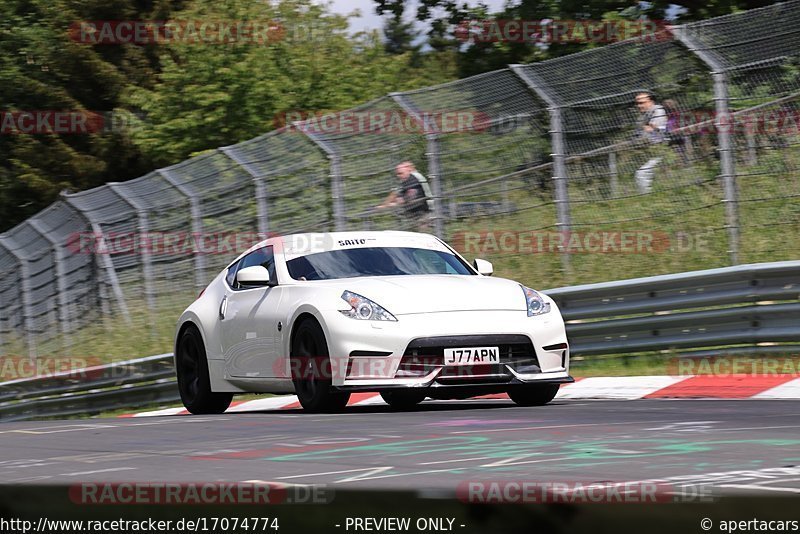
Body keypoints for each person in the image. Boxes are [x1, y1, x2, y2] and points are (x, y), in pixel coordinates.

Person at [377, 161, 434, 230]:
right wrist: (385, 205)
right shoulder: (406, 181)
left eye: (400, 173)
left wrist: (390, 204)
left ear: (409, 170)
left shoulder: (414, 178)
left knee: (424, 234)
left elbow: (409, 197)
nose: (398, 176)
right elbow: (395, 193)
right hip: (417, 214)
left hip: (425, 213)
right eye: (397, 174)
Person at [634, 92, 667, 193]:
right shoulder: (643, 115)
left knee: (641, 174)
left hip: (662, 150)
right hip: (649, 150)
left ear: (651, 101)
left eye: (642, 102)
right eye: (638, 103)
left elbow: (653, 129)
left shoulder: (658, 111)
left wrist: (645, 128)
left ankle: (646, 198)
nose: (639, 105)